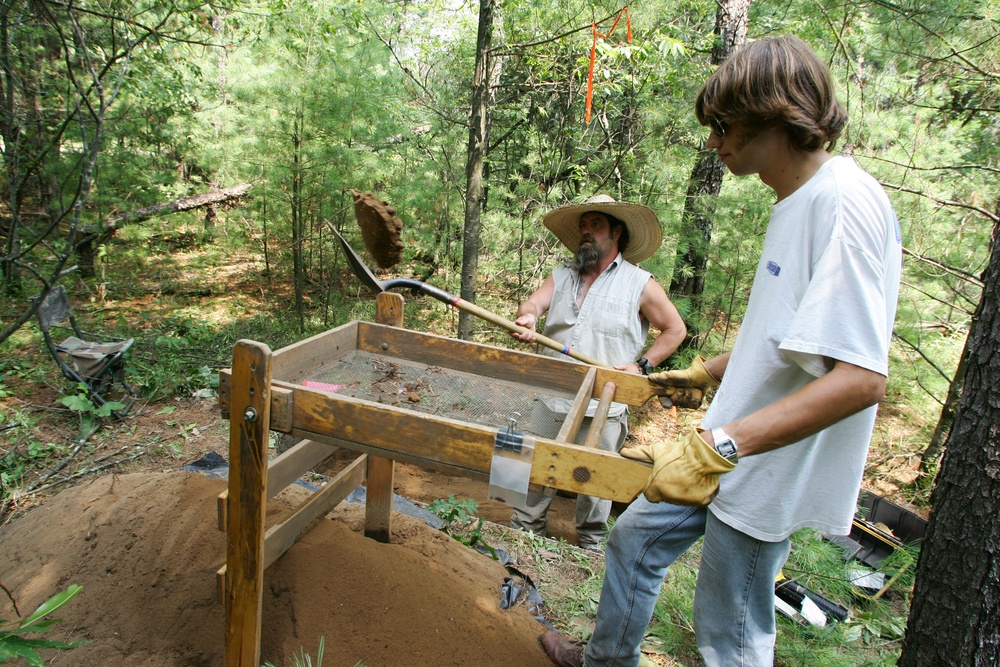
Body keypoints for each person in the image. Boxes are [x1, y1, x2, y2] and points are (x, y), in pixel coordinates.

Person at [538, 35, 902, 666]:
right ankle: (605, 662)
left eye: (724, 125)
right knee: (634, 542)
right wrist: (701, 373)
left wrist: (720, 446)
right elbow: (790, 340)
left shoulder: (844, 203)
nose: (714, 142)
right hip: (730, 452)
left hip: (766, 465)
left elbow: (862, 378)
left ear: (776, 112)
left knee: (728, 631)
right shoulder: (795, 203)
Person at [509, 194, 687, 551]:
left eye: (596, 225)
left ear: (616, 232)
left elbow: (675, 329)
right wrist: (528, 315)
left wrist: (642, 365)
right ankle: (522, 530)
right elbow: (534, 302)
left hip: (606, 399)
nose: (587, 233)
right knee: (532, 464)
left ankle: (590, 544)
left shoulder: (639, 283)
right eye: (584, 226)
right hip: (553, 393)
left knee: (596, 478)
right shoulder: (562, 274)